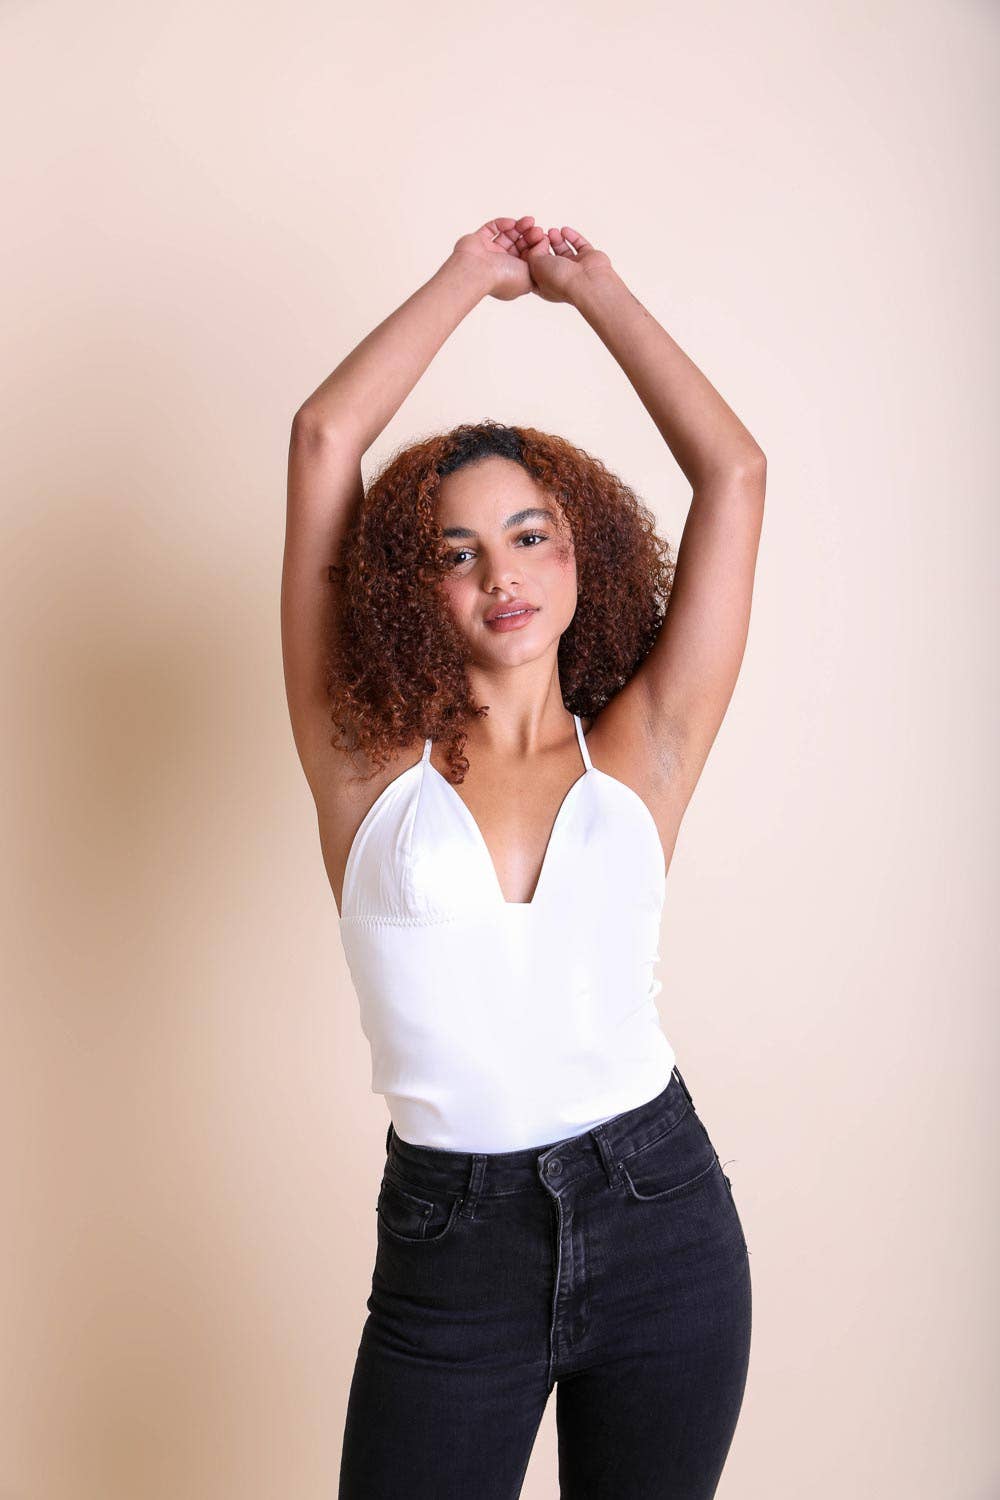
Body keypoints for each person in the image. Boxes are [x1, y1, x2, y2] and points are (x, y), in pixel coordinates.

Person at [281, 215, 766, 1499]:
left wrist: (593, 291)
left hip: (661, 1218)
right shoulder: (364, 767)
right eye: (457, 554)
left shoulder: (643, 754)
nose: (501, 574)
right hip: (453, 1253)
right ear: (412, 586)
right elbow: (324, 438)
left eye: (529, 533)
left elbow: (734, 474)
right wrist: (469, 277)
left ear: (578, 551)